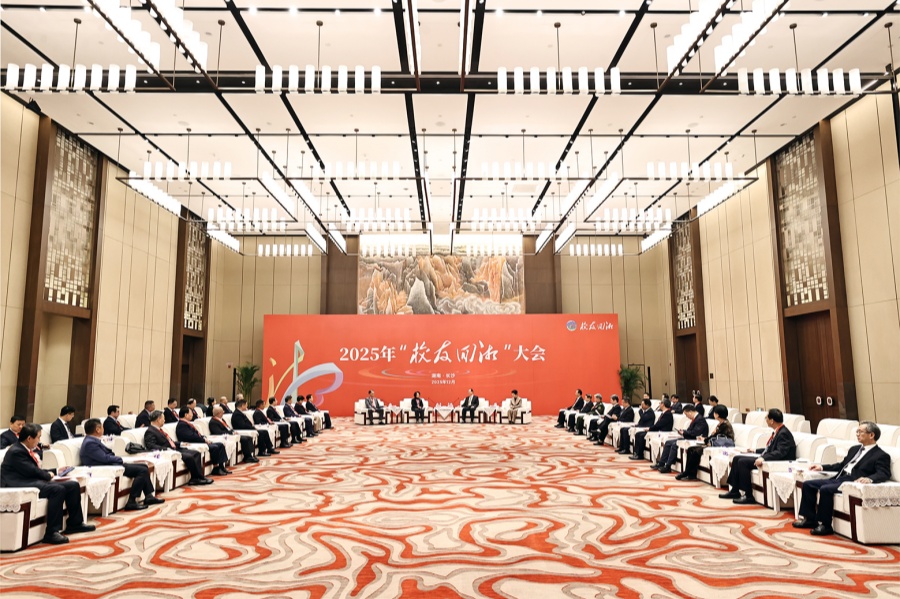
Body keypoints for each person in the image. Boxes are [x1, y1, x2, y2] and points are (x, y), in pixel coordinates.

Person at [1, 423, 96, 544]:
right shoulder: (16, 451)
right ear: (29, 438)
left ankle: (75, 523)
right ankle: (51, 532)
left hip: (29, 479)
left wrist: (56, 471)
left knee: (72, 485)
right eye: (38, 437)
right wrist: (48, 475)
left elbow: (33, 470)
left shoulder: (23, 449)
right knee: (57, 489)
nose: (39, 440)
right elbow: (32, 471)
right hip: (17, 483)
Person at [793, 421, 892, 536]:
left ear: (871, 435)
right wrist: (822, 467)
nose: (857, 434)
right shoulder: (854, 449)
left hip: (851, 482)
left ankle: (825, 525)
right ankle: (809, 519)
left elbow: (884, 473)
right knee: (808, 484)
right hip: (839, 478)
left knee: (826, 489)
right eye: (857, 431)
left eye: (860, 432)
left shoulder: (881, 455)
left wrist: (869, 479)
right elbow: (841, 465)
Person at [80, 418, 163, 511]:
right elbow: (104, 459)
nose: (104, 429)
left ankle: (148, 496)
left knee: (143, 466)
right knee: (142, 470)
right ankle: (131, 501)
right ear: (97, 429)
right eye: (102, 427)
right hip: (104, 468)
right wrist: (120, 459)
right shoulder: (90, 443)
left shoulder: (92, 440)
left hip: (108, 464)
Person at [720, 408, 796, 504]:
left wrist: (763, 458)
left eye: (767, 418)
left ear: (772, 421)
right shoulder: (778, 431)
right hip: (770, 458)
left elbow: (780, 452)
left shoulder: (783, 433)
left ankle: (748, 495)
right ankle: (735, 490)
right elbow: (770, 448)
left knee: (742, 462)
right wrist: (754, 450)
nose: (765, 419)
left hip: (777, 462)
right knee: (736, 458)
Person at [142, 410, 212, 486]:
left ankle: (198, 477)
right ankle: (196, 478)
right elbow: (151, 446)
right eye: (163, 418)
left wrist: (181, 443)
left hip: (174, 449)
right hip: (168, 452)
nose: (164, 420)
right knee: (189, 457)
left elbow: (170, 441)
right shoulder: (150, 431)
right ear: (158, 419)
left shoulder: (159, 430)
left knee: (196, 453)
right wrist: (166, 449)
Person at [677, 404, 734, 481]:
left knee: (695, 451)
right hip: (715, 443)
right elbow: (714, 436)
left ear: (717, 415)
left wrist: (705, 440)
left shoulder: (725, 425)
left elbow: (717, 437)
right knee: (691, 449)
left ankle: (687, 472)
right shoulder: (721, 423)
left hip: (721, 445)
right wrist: (705, 439)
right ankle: (690, 473)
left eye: (714, 413)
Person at [652, 404, 709, 474]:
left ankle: (668, 466)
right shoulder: (696, 419)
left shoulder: (700, 419)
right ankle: (661, 463)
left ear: (690, 412)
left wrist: (684, 432)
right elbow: (691, 431)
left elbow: (695, 433)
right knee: (668, 442)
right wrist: (683, 431)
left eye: (686, 414)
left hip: (694, 439)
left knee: (674, 444)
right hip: (689, 437)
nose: (687, 416)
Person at [176, 407, 232, 476]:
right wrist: (203, 440)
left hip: (198, 441)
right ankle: (216, 468)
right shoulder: (182, 425)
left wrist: (203, 437)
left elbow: (196, 435)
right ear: (186, 415)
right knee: (215, 447)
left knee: (220, 444)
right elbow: (191, 437)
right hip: (192, 443)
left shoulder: (187, 423)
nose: (192, 415)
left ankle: (221, 467)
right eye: (191, 413)